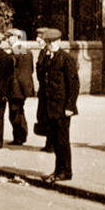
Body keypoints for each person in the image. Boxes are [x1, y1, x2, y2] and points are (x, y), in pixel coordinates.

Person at [34, 28, 79, 181]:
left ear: (59, 41)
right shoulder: (47, 58)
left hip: (62, 108)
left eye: (53, 42)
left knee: (63, 141)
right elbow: (41, 77)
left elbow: (74, 84)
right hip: (50, 107)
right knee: (55, 140)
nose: (50, 45)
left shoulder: (66, 59)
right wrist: (43, 59)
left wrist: (70, 106)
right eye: (48, 42)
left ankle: (66, 171)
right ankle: (58, 170)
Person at [7, 29, 35, 146]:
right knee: (20, 111)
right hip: (24, 87)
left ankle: (19, 137)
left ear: (15, 38)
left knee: (15, 113)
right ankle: (21, 136)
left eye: (8, 37)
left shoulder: (15, 52)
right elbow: (31, 70)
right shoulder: (27, 52)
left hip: (15, 88)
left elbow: (11, 72)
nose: (7, 40)